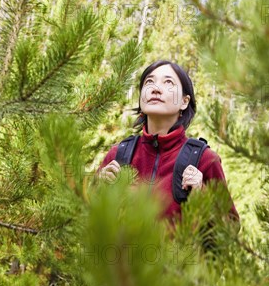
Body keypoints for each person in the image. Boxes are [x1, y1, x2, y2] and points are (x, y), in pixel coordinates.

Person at [97, 60, 239, 224]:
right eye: (149, 82)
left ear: (184, 102)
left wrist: (202, 195)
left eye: (168, 82)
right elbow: (83, 220)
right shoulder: (118, 155)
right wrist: (98, 188)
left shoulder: (204, 160)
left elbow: (230, 230)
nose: (155, 88)